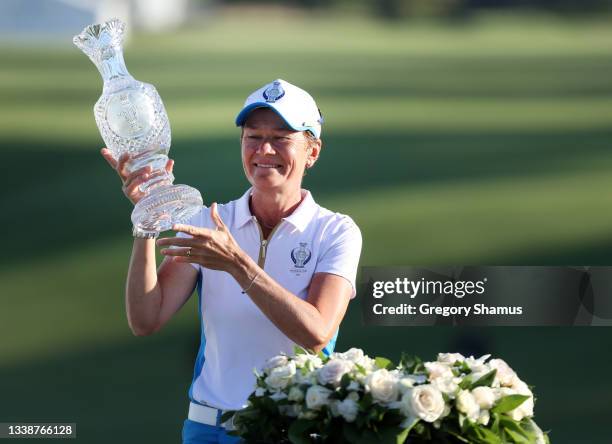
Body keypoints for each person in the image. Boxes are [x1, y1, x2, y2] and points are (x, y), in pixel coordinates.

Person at [101, 79, 362, 444]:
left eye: (281, 137)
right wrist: (145, 221)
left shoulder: (335, 231)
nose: (264, 149)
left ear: (312, 151)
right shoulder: (206, 222)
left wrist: (237, 263)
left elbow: (316, 334)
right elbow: (146, 318)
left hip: (292, 429)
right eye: (252, 136)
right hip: (208, 429)